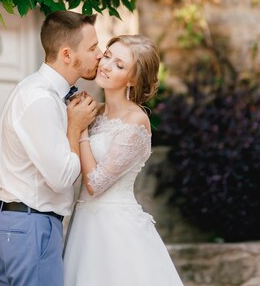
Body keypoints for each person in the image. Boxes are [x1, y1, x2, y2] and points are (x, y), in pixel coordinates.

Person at [0, 10, 102, 286]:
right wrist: (75, 129)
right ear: (67, 55)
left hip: (27, 224)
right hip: (32, 225)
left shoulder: (44, 93)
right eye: (92, 48)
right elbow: (62, 177)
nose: (99, 54)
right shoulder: (40, 99)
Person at [63, 34, 185, 286]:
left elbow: (95, 184)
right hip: (83, 223)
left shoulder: (136, 121)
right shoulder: (94, 111)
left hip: (114, 230)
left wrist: (81, 129)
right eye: (107, 55)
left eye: (119, 65)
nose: (106, 66)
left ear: (133, 78)